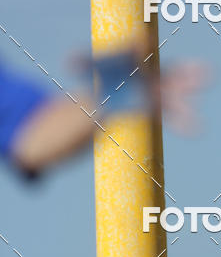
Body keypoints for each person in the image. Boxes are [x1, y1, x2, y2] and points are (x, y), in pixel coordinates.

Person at [0, 46, 203, 177]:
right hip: (43, 117)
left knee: (27, 150)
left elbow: (28, 142)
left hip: (32, 127)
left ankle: (126, 85)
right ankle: (124, 83)